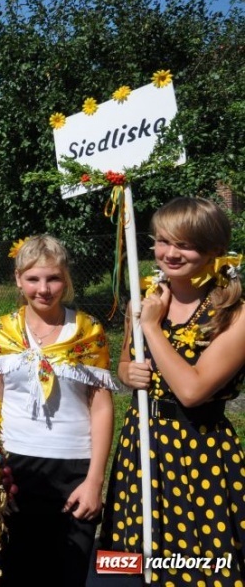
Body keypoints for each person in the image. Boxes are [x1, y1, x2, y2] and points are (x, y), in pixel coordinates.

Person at [100, 197, 245, 584]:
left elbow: (192, 390)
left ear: (215, 250)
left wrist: (151, 326)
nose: (170, 253)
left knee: (198, 563)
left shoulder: (233, 313)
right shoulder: (144, 299)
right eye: (163, 241)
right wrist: (128, 373)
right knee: (133, 560)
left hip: (197, 448)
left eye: (185, 244)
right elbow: (126, 365)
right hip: (141, 443)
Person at [0, 235, 115, 586]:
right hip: (14, 468)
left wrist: (94, 481)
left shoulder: (88, 331)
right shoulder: (1, 330)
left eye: (53, 278)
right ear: (17, 279)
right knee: (13, 572)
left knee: (66, 573)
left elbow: (101, 407)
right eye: (33, 279)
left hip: (73, 470)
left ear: (66, 279)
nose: (44, 289)